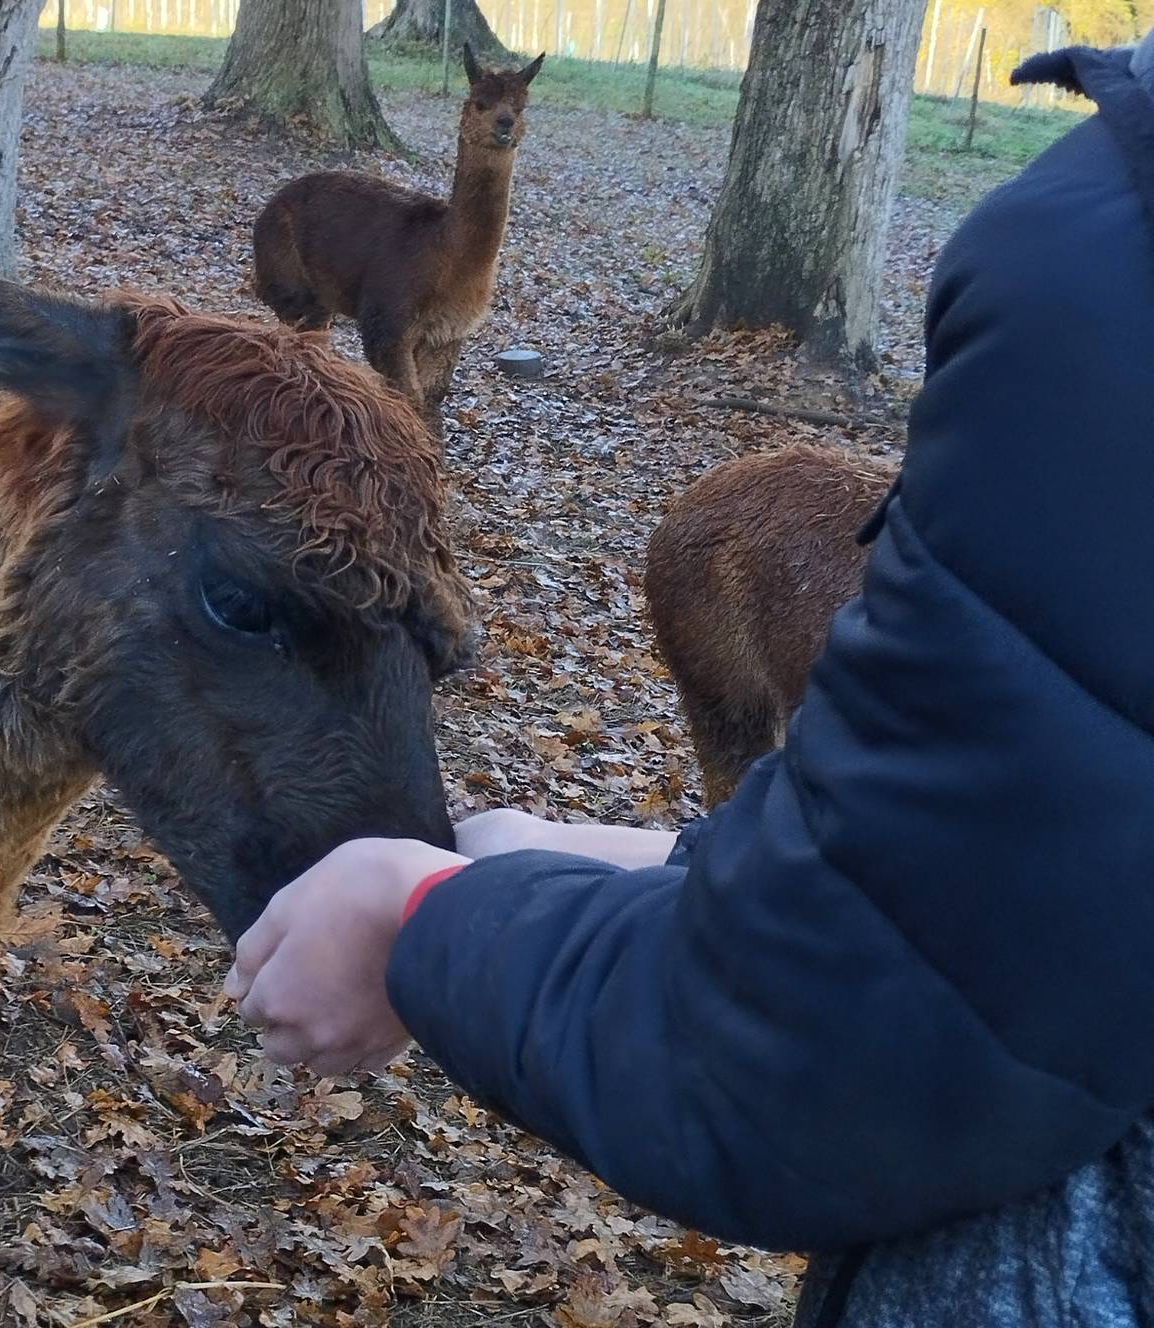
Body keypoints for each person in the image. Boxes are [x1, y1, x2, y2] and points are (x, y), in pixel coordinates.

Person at [224, 31, 1154, 1328]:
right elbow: (1009, 890)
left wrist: (420, 916)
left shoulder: (1098, 250)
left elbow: (843, 1025)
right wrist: (639, 856)